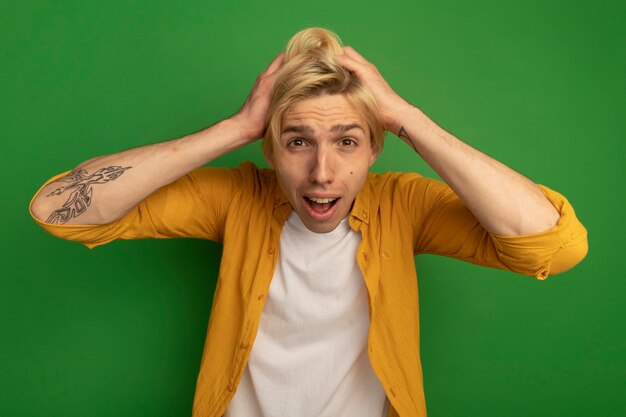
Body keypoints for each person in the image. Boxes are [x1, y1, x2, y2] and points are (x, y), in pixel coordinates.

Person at [30, 28, 588, 417]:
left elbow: (552, 247)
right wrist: (236, 127)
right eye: (298, 142)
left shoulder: (403, 205)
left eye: (347, 141)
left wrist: (407, 119)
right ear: (272, 150)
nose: (322, 172)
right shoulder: (238, 198)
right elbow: (57, 207)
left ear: (374, 149)